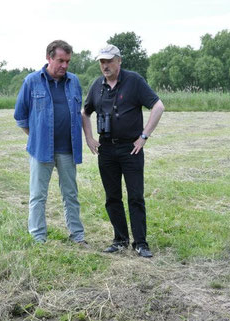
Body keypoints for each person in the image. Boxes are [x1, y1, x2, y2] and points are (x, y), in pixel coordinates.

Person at [82, 44, 164, 258]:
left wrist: (144, 137)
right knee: (112, 197)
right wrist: (89, 138)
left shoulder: (134, 81)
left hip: (131, 148)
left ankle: (140, 243)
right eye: (102, 61)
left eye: (109, 61)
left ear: (119, 61)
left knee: (135, 196)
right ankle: (120, 240)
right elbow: (85, 112)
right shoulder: (96, 85)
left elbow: (158, 106)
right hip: (106, 149)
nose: (105, 65)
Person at [14, 40, 87, 245]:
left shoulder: (74, 82)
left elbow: (79, 113)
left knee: (71, 195)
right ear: (49, 58)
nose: (64, 65)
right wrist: (37, 137)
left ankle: (77, 236)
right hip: (40, 151)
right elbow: (21, 116)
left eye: (68, 61)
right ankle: (38, 238)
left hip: (68, 150)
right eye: (60, 60)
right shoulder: (31, 81)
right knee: (38, 196)